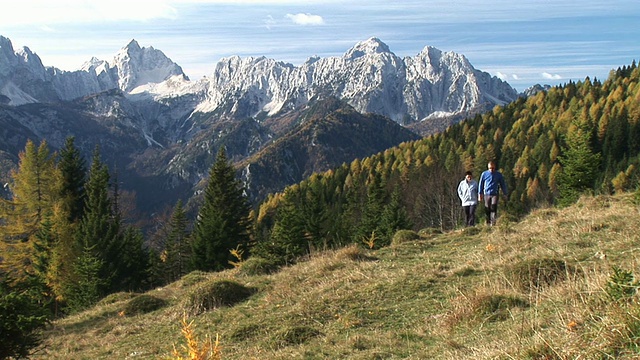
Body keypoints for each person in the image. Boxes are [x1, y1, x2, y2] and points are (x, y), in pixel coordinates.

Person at [478, 161, 508, 226]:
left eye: (493, 168)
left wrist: (505, 193)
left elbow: (502, 184)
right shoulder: (484, 174)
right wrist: (480, 194)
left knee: (494, 206)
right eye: (490, 168)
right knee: (487, 208)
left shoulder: (498, 175)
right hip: (486, 193)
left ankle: (493, 221)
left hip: (495, 193)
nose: (491, 170)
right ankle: (488, 222)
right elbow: (481, 184)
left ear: (495, 167)